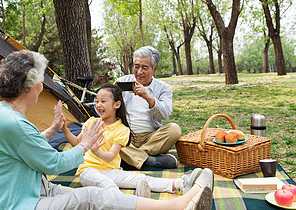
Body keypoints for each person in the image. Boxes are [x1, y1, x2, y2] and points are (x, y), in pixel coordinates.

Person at [0, 50, 213, 210]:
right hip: (13, 203)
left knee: (95, 192)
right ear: (31, 85)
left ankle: (171, 199)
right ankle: (176, 206)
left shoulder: (3, 112)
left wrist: (52, 129)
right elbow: (52, 163)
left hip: (27, 189)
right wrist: (86, 144)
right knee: (92, 196)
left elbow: (25, 145)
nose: (42, 86)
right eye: (41, 80)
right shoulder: (12, 121)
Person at [62, 83, 213, 197]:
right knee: (109, 186)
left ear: (117, 105)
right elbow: (76, 142)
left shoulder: (122, 129)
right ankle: (133, 203)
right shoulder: (91, 122)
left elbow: (110, 157)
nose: (98, 105)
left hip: (111, 170)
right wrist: (64, 129)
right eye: (97, 102)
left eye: (103, 101)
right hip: (87, 171)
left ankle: (181, 183)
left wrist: (96, 150)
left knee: (141, 179)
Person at [115, 46, 181, 169]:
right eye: (136, 66)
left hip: (151, 137)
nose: (139, 72)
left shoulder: (164, 88)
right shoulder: (122, 82)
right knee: (106, 136)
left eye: (144, 67)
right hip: (125, 136)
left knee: (174, 130)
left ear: (154, 69)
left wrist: (148, 97)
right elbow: (106, 111)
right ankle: (148, 160)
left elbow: (165, 114)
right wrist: (111, 96)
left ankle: (131, 158)